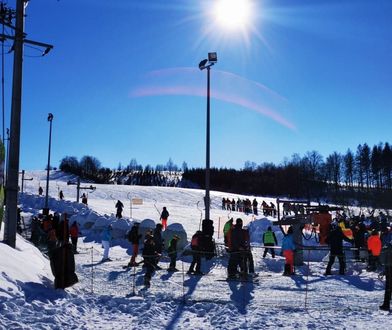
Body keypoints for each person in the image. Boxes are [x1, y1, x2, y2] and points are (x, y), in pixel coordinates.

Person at [379, 239, 392, 311]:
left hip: (389, 268)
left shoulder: (388, 245)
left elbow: (382, 259)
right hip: (389, 268)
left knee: (388, 288)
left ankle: (386, 305)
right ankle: (386, 305)